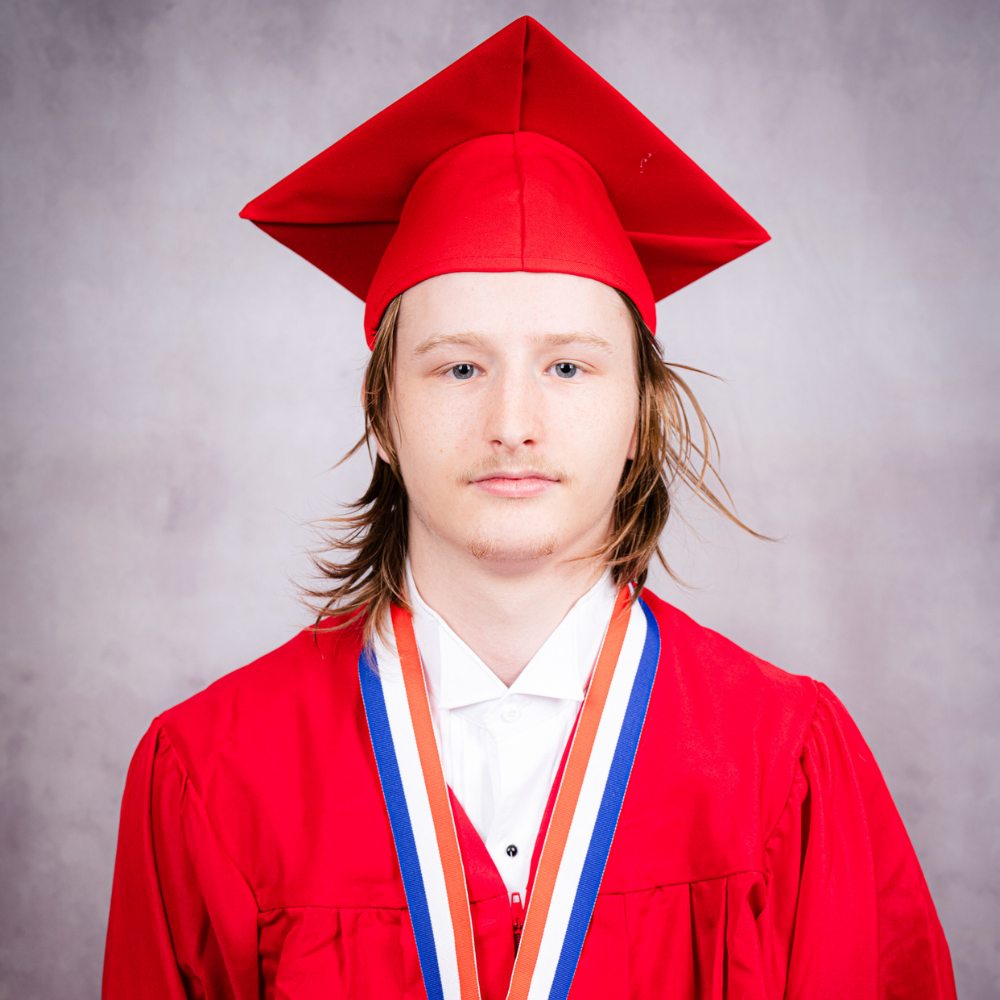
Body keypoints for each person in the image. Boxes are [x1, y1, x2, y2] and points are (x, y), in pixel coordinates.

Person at [102, 17, 956, 1000]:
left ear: (639, 411)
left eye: (567, 364)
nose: (513, 420)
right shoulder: (215, 773)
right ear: (381, 411)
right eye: (459, 365)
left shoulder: (785, 764)